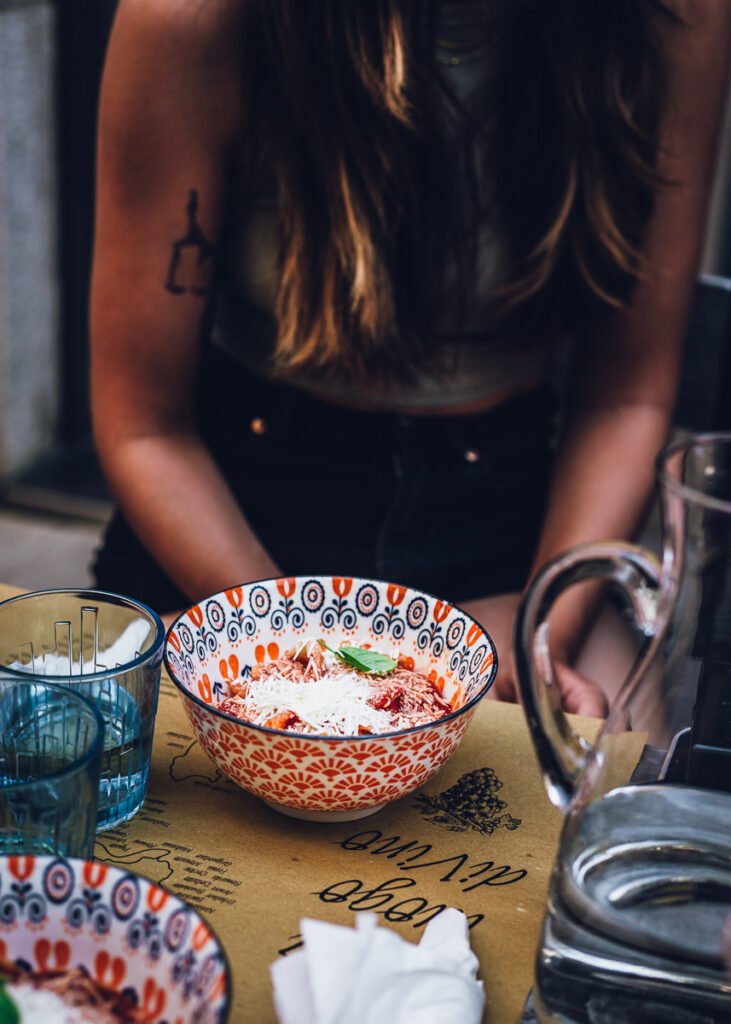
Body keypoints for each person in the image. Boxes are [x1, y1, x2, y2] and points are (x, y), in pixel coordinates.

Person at [90, 0, 731, 714]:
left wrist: (541, 628)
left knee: (598, 801)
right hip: (225, 534)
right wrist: (306, 659)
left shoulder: (675, 15)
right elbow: (145, 428)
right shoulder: (190, 16)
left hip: (513, 546)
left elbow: (625, 399)